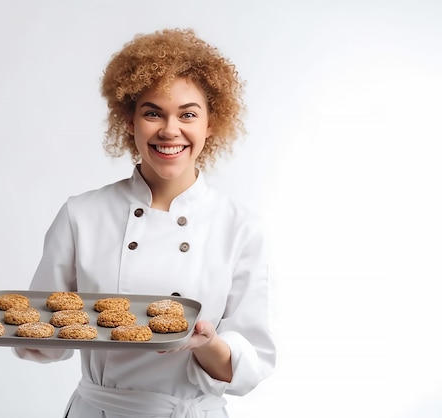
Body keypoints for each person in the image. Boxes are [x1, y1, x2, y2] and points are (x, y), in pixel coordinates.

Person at [15, 28, 276, 417]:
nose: (170, 130)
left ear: (210, 123)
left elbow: (248, 368)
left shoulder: (238, 227)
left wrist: (204, 343)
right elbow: (46, 335)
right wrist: (0, 326)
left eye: (188, 114)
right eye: (153, 112)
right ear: (129, 121)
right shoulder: (81, 215)